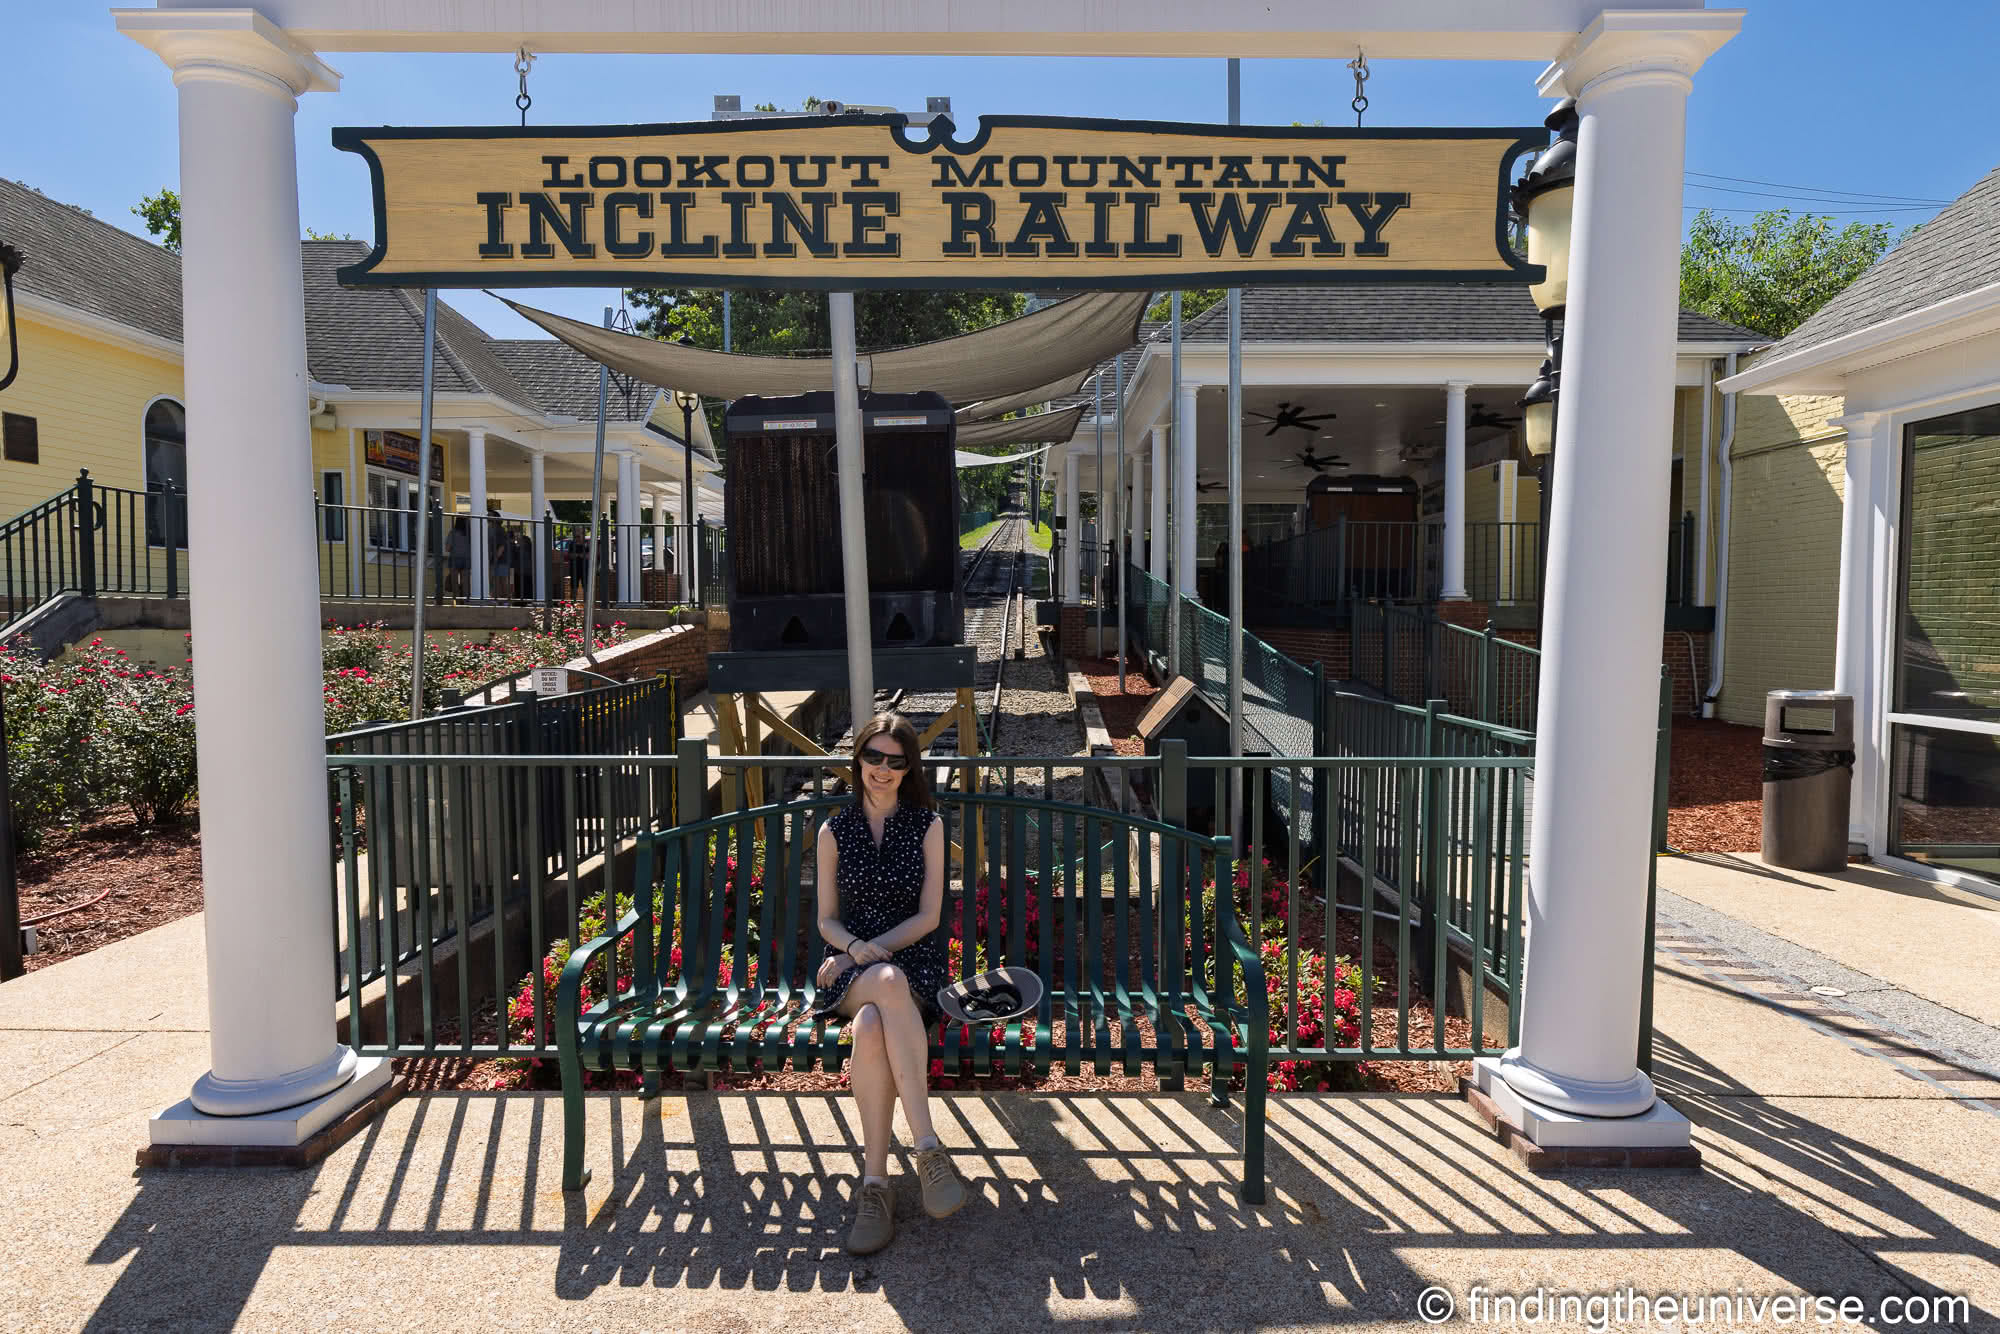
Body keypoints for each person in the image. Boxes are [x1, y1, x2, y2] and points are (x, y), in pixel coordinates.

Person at [813, 712, 964, 1255]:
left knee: (874, 1020)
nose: (881, 768)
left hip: (912, 968)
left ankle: (875, 1183)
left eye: (893, 761)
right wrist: (854, 949)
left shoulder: (928, 825)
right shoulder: (835, 830)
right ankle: (927, 1148)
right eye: (872, 757)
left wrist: (875, 952)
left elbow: (928, 917)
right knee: (879, 985)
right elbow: (827, 919)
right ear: (858, 761)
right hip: (851, 970)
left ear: (908, 769)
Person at [444, 518, 471, 599]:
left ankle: (457, 602)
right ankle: (467, 601)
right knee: (466, 583)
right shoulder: (470, 534)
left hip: (455, 558)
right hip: (466, 559)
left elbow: (447, 548)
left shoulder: (453, 533)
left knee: (454, 583)